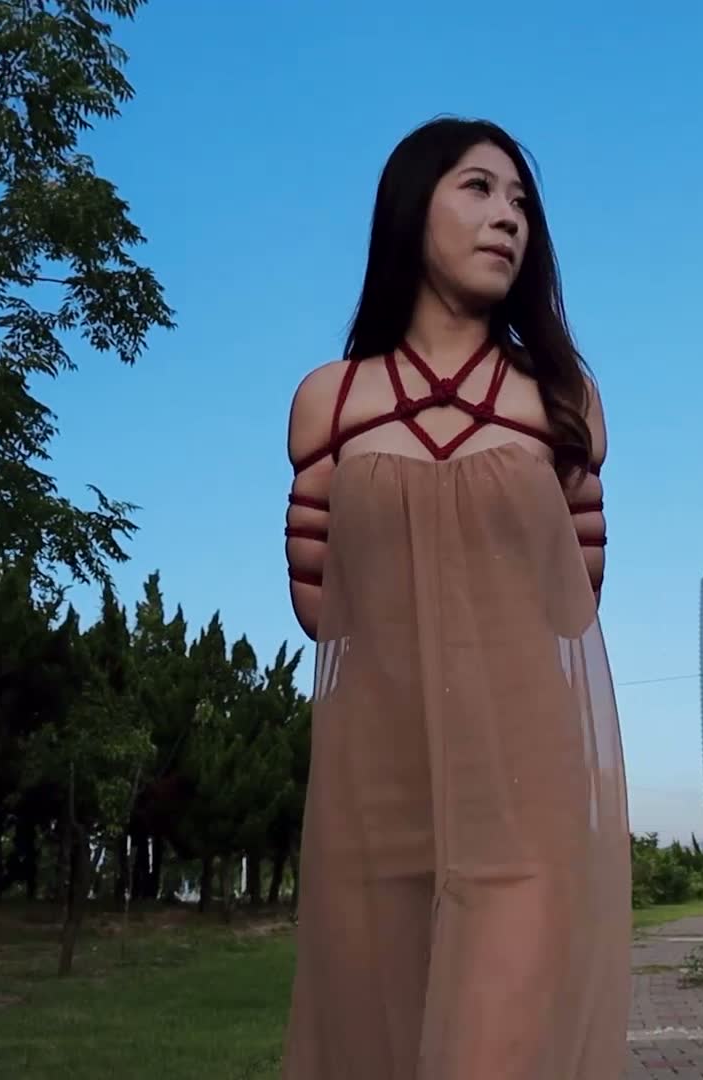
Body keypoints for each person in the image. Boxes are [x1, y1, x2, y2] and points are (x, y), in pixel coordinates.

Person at [278, 116, 632, 1078]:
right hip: (374, 787)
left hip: (522, 786)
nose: (507, 217)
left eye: (521, 202)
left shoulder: (563, 399)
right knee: (375, 1052)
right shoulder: (329, 401)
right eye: (478, 188)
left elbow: (573, 600)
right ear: (410, 208)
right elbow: (319, 610)